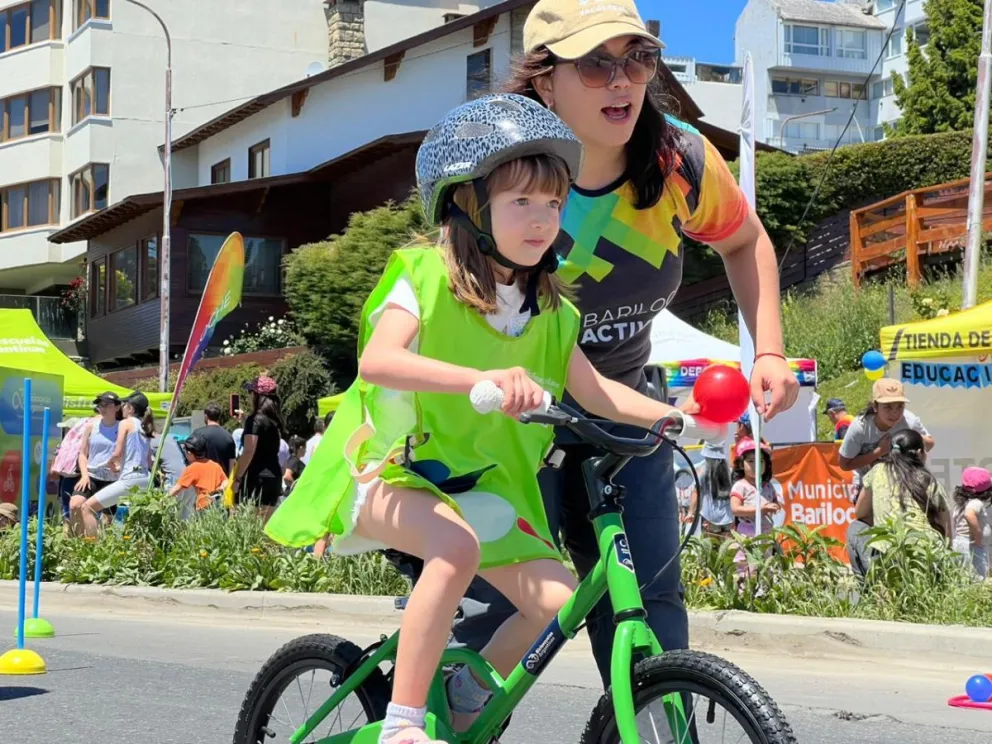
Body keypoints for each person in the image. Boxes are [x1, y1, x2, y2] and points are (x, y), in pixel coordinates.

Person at [263, 95, 725, 744]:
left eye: (554, 204)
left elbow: (599, 393)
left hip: (483, 487)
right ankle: (401, 724)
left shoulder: (554, 314)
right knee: (455, 548)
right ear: (467, 205)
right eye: (521, 202)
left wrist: (679, 417)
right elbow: (379, 360)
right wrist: (480, 379)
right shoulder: (422, 275)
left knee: (557, 604)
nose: (542, 220)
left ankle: (462, 700)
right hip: (388, 470)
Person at [398, 0, 799, 686]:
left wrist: (767, 351)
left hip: (621, 403)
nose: (622, 81)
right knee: (496, 612)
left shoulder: (679, 159)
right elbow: (448, 296)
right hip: (510, 415)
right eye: (594, 64)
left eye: (637, 60)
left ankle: (653, 724)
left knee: (649, 605)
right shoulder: (499, 164)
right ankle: (426, 717)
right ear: (545, 81)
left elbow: (745, 240)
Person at [846, 429, 951, 579]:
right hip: (930, 559)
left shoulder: (877, 471)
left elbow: (860, 513)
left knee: (855, 528)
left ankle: (868, 587)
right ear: (920, 453)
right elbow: (947, 531)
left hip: (891, 557)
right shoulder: (930, 482)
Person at [75, 392, 154, 538]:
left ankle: (92, 546)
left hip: (130, 479)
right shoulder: (145, 427)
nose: (122, 408)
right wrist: (120, 467)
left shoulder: (125, 423)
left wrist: (110, 462)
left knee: (87, 508)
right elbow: (148, 461)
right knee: (129, 520)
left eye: (124, 405)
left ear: (130, 408)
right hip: (145, 478)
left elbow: (117, 452)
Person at [839, 379, 934, 499]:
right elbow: (845, 464)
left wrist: (912, 435)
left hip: (902, 485)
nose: (895, 413)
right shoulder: (860, 427)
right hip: (868, 488)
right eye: (888, 407)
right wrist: (879, 451)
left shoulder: (909, 421)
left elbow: (930, 444)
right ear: (875, 406)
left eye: (900, 406)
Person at [233, 376, 288, 523]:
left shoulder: (255, 419)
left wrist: (237, 478)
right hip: (273, 476)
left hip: (255, 478)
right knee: (266, 524)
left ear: (257, 396)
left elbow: (249, 451)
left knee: (248, 525)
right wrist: (245, 421)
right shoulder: (274, 420)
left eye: (251, 393)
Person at [69, 392, 123, 536]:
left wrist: (120, 466)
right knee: (75, 504)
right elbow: (82, 453)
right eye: (100, 405)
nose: (102, 408)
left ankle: (95, 543)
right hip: (91, 476)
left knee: (107, 522)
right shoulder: (91, 426)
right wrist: (84, 475)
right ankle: (80, 541)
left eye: (107, 405)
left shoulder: (123, 427)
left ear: (117, 407)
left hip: (112, 479)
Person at [730, 437, 780, 537]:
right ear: (741, 464)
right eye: (751, 461)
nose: (756, 465)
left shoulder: (768, 485)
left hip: (767, 532)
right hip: (748, 534)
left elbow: (775, 501)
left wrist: (775, 506)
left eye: (761, 461)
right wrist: (760, 509)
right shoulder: (740, 486)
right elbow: (735, 509)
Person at [169, 432, 228, 513]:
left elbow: (177, 489)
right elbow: (226, 482)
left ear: (189, 452)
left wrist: (164, 499)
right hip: (218, 504)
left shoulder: (192, 468)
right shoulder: (214, 465)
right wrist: (217, 491)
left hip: (203, 506)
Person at [951, 466, 992, 579]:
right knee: (979, 578)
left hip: (960, 543)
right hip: (972, 546)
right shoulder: (975, 503)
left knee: (964, 576)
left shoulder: (961, 503)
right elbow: (969, 514)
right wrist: (978, 535)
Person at [693, 441, 735, 538]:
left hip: (709, 517)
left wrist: (691, 512)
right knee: (728, 546)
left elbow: (696, 492)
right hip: (728, 517)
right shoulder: (730, 472)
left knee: (710, 546)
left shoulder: (702, 471)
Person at [191, 402, 236, 475]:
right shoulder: (228, 436)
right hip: (222, 479)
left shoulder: (197, 434)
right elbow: (232, 463)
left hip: (203, 478)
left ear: (206, 416)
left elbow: (190, 457)